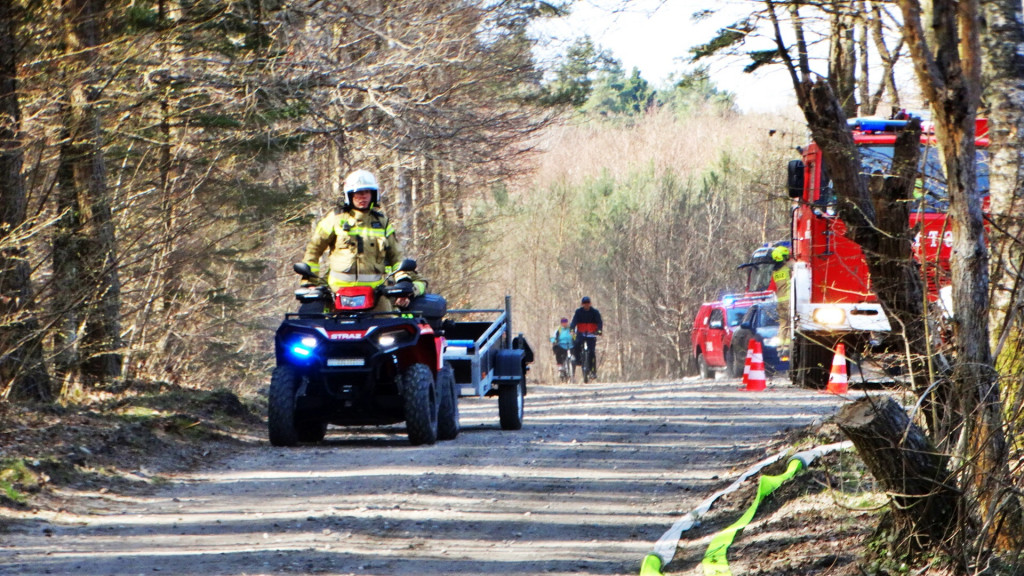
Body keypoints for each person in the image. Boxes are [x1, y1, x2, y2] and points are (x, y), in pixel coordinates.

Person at [302, 169, 425, 312]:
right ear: (350, 195)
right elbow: (313, 250)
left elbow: (396, 257)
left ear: (374, 194)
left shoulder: (382, 223)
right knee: (315, 326)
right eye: (359, 193)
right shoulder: (334, 220)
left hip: (375, 296)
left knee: (391, 328)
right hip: (336, 296)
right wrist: (309, 283)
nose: (363, 197)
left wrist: (403, 279)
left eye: (367, 192)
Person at [570, 296, 603, 378]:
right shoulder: (578, 312)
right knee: (576, 345)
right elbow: (574, 322)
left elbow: (599, 322)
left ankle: (593, 371)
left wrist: (599, 330)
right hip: (581, 333)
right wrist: (572, 329)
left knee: (592, 352)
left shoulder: (595, 312)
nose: (586, 305)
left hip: (591, 334)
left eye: (587, 303)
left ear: (590, 303)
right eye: (584, 303)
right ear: (582, 304)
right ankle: (577, 360)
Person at [770, 245, 792, 346]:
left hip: (780, 302)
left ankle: (781, 345)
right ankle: (788, 345)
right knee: (791, 323)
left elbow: (772, 288)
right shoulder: (788, 268)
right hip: (789, 301)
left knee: (783, 324)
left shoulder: (775, 272)